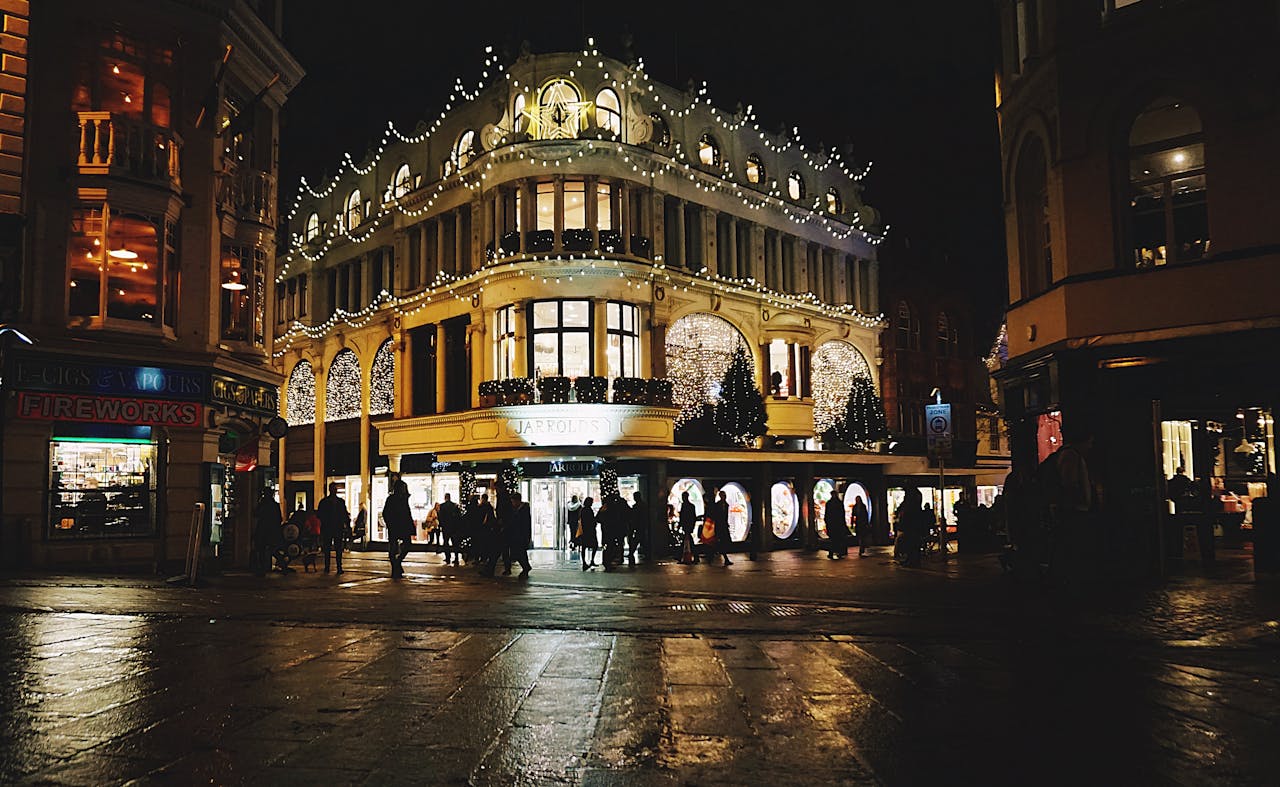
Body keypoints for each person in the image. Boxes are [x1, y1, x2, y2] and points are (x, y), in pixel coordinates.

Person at [382, 479, 414, 578]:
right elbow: (386, 513)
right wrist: (390, 523)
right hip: (396, 526)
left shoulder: (403, 499)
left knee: (406, 545)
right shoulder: (392, 499)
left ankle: (397, 563)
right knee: (393, 547)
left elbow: (407, 513)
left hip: (402, 526)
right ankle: (395, 567)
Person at [316, 482, 349, 574]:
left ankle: (337, 567)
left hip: (335, 527)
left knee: (337, 548)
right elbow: (320, 514)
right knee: (328, 548)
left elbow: (344, 514)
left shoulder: (335, 502)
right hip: (330, 527)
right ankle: (329, 567)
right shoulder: (328, 502)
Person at [252, 488, 283, 577]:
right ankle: (282, 563)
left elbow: (255, 513)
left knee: (261, 549)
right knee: (273, 549)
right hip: (272, 530)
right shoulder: (275, 505)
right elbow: (279, 519)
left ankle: (262, 569)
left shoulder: (262, 504)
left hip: (262, 529)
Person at [503, 492, 533, 577]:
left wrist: (526, 536)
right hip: (517, 535)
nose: (513, 503)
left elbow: (525, 524)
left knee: (519, 553)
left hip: (520, 535)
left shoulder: (522, 510)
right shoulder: (518, 510)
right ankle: (526, 567)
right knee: (520, 553)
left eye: (513, 501)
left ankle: (526, 567)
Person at [825, 484, 849, 559]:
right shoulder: (839, 503)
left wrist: (827, 522)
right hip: (838, 524)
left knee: (833, 539)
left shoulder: (829, 503)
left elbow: (827, 514)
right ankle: (839, 552)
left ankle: (832, 552)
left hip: (832, 524)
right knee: (838, 539)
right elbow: (842, 514)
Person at [438, 493, 463, 565]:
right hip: (454, 527)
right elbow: (459, 516)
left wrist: (441, 525)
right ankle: (456, 558)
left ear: (445, 498)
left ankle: (448, 558)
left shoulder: (442, 506)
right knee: (455, 543)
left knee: (446, 543)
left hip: (446, 527)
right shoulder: (454, 506)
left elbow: (440, 517)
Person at [710, 488, 732, 566]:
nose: (724, 497)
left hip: (723, 525)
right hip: (720, 526)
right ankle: (722, 557)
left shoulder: (726, 505)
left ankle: (713, 556)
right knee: (720, 542)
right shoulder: (718, 505)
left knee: (721, 542)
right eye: (723, 495)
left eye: (725, 495)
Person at [576, 496, 599, 570]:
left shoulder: (582, 510)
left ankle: (584, 562)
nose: (592, 503)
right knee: (594, 545)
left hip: (584, 531)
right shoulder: (588, 510)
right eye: (591, 502)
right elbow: (590, 520)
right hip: (590, 531)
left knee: (584, 547)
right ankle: (591, 560)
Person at [678, 491, 700, 564]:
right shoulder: (689, 506)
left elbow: (685, 517)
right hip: (688, 525)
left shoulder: (686, 506)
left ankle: (682, 556)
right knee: (688, 541)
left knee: (688, 541)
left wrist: (680, 525)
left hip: (687, 526)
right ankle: (694, 557)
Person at [626, 491, 645, 566]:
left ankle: (631, 553)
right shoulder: (642, 505)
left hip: (638, 526)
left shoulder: (637, 506)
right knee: (640, 540)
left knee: (637, 540)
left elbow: (635, 517)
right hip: (640, 526)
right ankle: (632, 553)